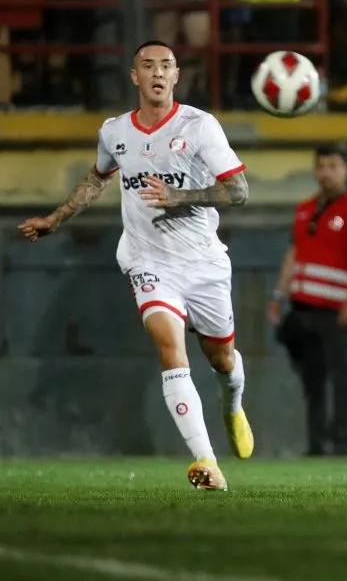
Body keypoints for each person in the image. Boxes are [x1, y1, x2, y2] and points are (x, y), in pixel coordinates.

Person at [18, 40, 254, 491]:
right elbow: (96, 179)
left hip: (203, 263)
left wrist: (178, 196)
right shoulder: (115, 132)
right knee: (170, 348)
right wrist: (55, 218)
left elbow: (239, 191)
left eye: (166, 65)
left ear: (177, 75)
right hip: (147, 260)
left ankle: (233, 403)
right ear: (135, 76)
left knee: (222, 359)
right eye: (148, 66)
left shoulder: (200, 126)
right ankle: (207, 463)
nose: (158, 73)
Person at [267, 143, 347, 456]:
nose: (326, 173)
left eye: (333, 166)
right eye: (322, 166)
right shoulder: (304, 209)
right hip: (303, 308)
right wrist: (278, 296)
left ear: (346, 170)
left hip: (337, 310)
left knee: (345, 381)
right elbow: (293, 255)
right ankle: (318, 446)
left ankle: (345, 446)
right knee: (312, 382)